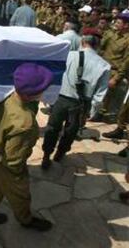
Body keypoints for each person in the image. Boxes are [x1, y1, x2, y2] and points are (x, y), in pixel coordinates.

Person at [0, 63, 53, 231]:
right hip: (8, 164)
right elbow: (13, 161)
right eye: (42, 89)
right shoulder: (24, 123)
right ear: (30, 94)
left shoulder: (4, 97)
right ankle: (26, 220)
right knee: (21, 195)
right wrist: (19, 176)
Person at [41, 28, 111, 169]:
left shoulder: (69, 55)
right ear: (97, 45)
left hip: (61, 99)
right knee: (70, 132)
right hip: (80, 104)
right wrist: (92, 111)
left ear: (83, 41)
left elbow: (55, 75)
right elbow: (100, 94)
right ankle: (60, 154)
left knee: (53, 128)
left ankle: (46, 155)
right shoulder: (104, 66)